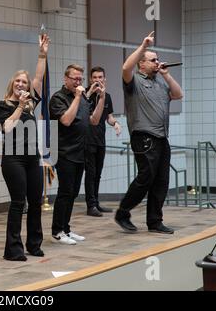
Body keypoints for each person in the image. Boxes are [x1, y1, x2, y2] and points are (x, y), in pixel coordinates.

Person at [115, 31, 183, 234]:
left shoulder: (161, 81)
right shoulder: (133, 81)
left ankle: (154, 221)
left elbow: (178, 94)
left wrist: (166, 74)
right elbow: (126, 67)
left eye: (157, 60)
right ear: (141, 64)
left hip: (162, 138)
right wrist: (143, 46)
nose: (157, 62)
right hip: (144, 137)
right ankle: (123, 211)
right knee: (146, 176)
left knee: (161, 180)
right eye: (153, 60)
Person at [0, 33, 50, 261]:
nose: (21, 84)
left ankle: (34, 245)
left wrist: (42, 54)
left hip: (32, 159)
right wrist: (20, 105)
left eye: (24, 82)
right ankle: (13, 250)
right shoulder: (3, 105)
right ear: (12, 84)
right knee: (19, 202)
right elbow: (7, 128)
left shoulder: (30, 104)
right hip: (13, 160)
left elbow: (38, 76)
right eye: (18, 81)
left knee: (36, 202)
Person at [49, 64, 105, 245]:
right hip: (64, 152)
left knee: (73, 193)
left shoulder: (81, 99)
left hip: (81, 152)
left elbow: (94, 120)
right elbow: (66, 120)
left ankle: (66, 228)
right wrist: (80, 96)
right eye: (75, 79)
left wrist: (101, 98)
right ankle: (57, 231)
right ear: (65, 79)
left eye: (80, 79)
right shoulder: (58, 98)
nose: (78, 82)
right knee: (65, 192)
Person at [84, 66, 121, 217]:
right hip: (87, 139)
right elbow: (79, 109)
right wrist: (90, 93)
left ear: (104, 79)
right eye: (95, 77)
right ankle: (90, 205)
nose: (98, 80)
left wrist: (116, 123)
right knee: (90, 173)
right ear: (90, 79)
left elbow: (109, 117)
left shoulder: (108, 96)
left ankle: (96, 202)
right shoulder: (84, 94)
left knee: (98, 173)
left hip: (100, 139)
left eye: (100, 77)